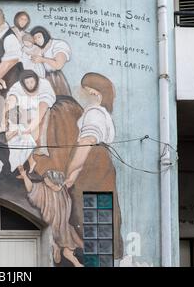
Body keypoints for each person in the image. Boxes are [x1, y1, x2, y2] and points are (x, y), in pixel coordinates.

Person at [63, 72, 124, 260]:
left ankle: (93, 260)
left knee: (86, 216)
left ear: (96, 93)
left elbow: (86, 142)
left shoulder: (94, 112)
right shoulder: (103, 113)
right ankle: (100, 258)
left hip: (91, 168)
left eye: (85, 91)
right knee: (101, 221)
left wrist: (71, 173)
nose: (81, 95)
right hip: (102, 169)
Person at [0, 70, 56, 175]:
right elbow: (10, 101)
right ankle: (23, 164)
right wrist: (3, 123)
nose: (30, 85)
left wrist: (30, 128)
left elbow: (41, 110)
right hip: (22, 113)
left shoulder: (44, 85)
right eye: (27, 83)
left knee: (24, 135)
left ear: (36, 80)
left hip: (38, 113)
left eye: (32, 82)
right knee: (13, 132)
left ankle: (28, 162)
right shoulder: (18, 86)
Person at [19, 169, 84, 267]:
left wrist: (78, 169)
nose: (46, 183)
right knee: (56, 237)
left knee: (70, 244)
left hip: (63, 223)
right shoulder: (43, 188)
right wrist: (24, 176)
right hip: (50, 221)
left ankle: (71, 258)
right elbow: (31, 189)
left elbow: (74, 174)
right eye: (45, 181)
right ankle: (55, 246)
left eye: (48, 181)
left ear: (55, 181)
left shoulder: (64, 187)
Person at [30, 26, 72, 96]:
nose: (37, 40)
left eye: (39, 37)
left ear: (45, 35)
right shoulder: (37, 50)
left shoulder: (57, 44)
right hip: (43, 79)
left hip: (56, 79)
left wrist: (42, 59)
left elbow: (58, 65)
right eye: (35, 38)